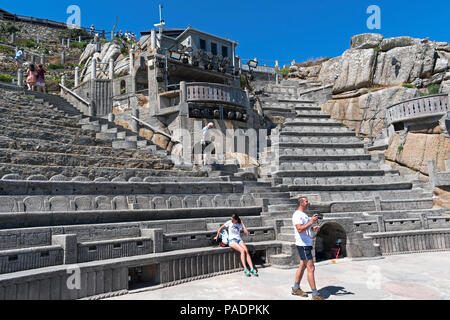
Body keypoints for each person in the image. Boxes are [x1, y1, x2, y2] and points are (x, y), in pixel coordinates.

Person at [291, 197, 324, 300]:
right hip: (303, 244)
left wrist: (313, 228)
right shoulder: (297, 215)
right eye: (306, 201)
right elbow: (300, 229)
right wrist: (311, 222)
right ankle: (315, 294)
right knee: (311, 267)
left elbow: (305, 228)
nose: (308, 203)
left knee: (302, 266)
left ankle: (296, 288)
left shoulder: (303, 215)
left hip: (306, 243)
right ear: (301, 203)